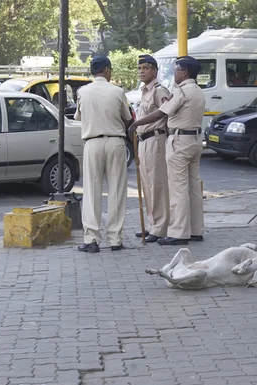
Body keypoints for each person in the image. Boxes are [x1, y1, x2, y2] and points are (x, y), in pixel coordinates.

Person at [129, 55, 205, 246]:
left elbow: (162, 112)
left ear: (185, 72)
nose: (174, 73)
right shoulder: (198, 90)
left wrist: (136, 123)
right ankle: (196, 230)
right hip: (195, 139)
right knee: (193, 188)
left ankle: (179, 233)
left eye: (177, 70)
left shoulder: (180, 91)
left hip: (179, 141)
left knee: (177, 188)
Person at [74, 55, 132, 253]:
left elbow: (79, 116)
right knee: (116, 190)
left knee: (92, 190)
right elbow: (127, 117)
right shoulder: (117, 91)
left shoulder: (83, 92)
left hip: (92, 143)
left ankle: (91, 239)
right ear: (107, 70)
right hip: (115, 142)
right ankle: (115, 239)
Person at [134, 54, 170, 243]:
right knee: (147, 185)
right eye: (140, 68)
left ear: (154, 71)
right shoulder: (144, 92)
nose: (142, 71)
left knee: (158, 184)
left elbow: (165, 112)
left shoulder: (158, 90)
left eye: (146, 68)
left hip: (155, 139)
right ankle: (152, 224)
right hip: (143, 141)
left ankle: (160, 227)